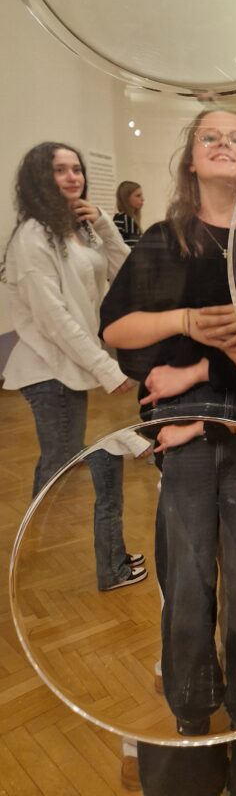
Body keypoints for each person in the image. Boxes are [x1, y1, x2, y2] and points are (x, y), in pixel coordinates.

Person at [100, 107, 236, 796]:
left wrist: (199, 372)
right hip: (184, 443)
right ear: (191, 158)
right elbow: (117, 330)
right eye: (209, 136)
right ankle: (191, 720)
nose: (222, 144)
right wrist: (187, 322)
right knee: (186, 593)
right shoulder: (165, 241)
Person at [1, 142, 146, 591]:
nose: (72, 177)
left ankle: (95, 558)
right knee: (70, 464)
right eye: (59, 170)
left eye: (76, 169)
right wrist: (106, 369)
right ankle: (61, 557)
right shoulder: (32, 238)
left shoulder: (78, 229)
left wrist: (102, 222)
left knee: (77, 461)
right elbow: (55, 320)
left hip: (75, 364)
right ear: (38, 178)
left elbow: (129, 269)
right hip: (50, 369)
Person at [113, 180, 144, 247]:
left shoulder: (121, 217)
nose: (143, 199)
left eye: (141, 195)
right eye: (138, 196)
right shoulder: (126, 219)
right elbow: (132, 249)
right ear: (126, 198)